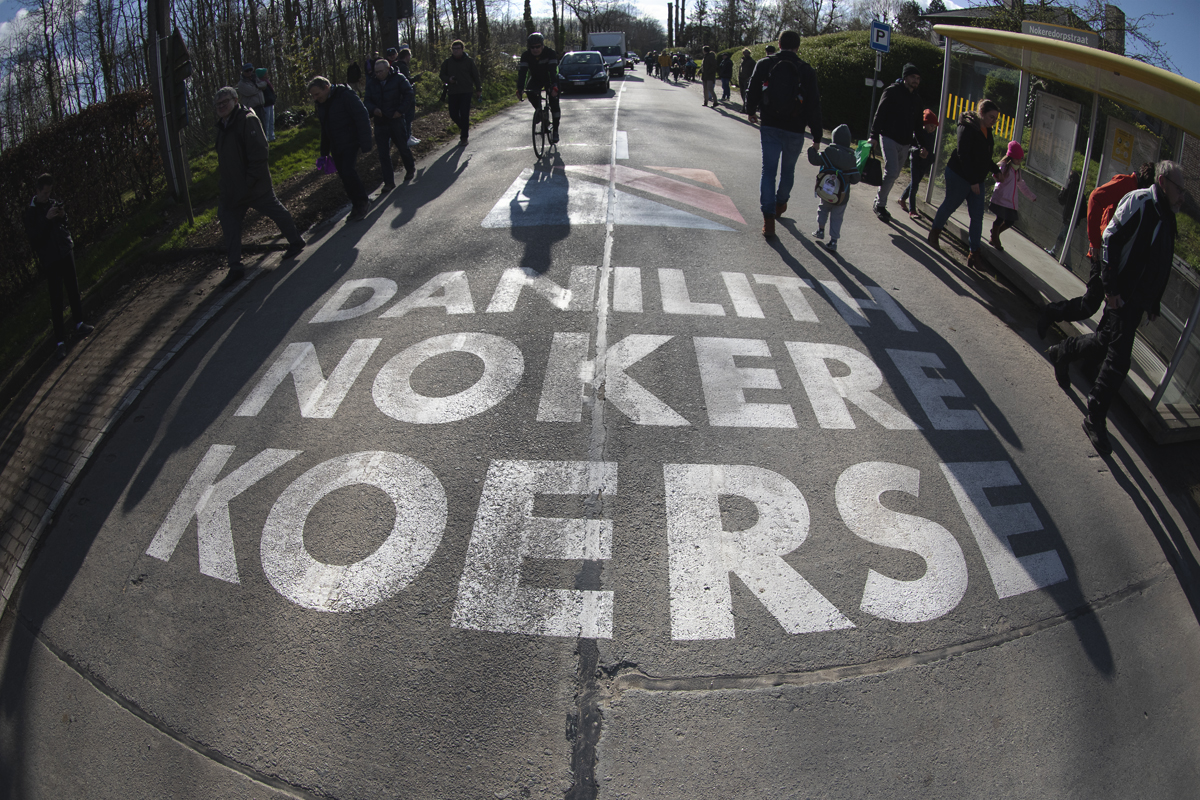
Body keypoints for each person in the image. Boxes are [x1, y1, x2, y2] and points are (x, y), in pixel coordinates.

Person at [1045, 161, 1184, 456]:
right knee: (1119, 361)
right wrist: (1111, 289)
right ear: (1162, 181)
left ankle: (1063, 351)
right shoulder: (1141, 201)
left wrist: (1154, 300)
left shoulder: (1168, 217)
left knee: (1102, 342)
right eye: (1178, 187)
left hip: (1136, 301)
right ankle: (1095, 415)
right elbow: (1110, 239)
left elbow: (1162, 262)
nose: (1181, 194)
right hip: (1121, 295)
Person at [1036, 163, 1156, 338]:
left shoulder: (1134, 191)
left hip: (1111, 257)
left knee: (1098, 307)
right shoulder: (1128, 185)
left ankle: (1078, 344)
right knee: (1089, 305)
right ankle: (1053, 315)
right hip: (1104, 254)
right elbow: (1095, 197)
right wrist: (1095, 242)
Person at [212, 87, 305, 284]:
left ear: (235, 100)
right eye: (218, 104)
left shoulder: (247, 119)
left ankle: (296, 241)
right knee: (228, 223)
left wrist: (249, 181)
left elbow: (260, 152)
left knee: (275, 210)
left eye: (225, 102)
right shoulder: (221, 126)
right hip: (231, 190)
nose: (221, 107)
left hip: (254, 186)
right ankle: (235, 267)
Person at [745, 30, 822, 238]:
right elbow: (814, 104)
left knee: (768, 171)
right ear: (798, 46)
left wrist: (751, 110)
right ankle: (780, 204)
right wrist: (817, 135)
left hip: (770, 124)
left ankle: (768, 220)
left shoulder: (765, 63)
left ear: (778, 44)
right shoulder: (806, 70)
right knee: (788, 170)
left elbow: (752, 89)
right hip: (795, 129)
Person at [23, 173, 93, 359]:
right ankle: (60, 341)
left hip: (64, 250)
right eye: (45, 193)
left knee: (73, 288)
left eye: (49, 192)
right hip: (50, 258)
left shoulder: (51, 203)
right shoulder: (30, 213)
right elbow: (35, 239)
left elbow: (64, 224)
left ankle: (79, 323)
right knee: (56, 300)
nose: (47, 196)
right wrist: (46, 219)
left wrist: (62, 215)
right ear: (37, 191)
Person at [927, 98, 1002, 270]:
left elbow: (985, 156)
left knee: (977, 216)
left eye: (996, 118)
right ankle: (934, 233)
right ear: (981, 113)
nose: (994, 121)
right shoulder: (967, 126)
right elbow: (963, 155)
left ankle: (974, 254)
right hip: (959, 175)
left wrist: (995, 170)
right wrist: (973, 181)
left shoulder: (987, 130)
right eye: (991, 117)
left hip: (977, 179)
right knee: (950, 205)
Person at [308, 75, 373, 221]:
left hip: (351, 140)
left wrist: (366, 142)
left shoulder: (345, 95)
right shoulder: (321, 103)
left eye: (317, 94)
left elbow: (361, 116)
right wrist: (324, 152)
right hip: (335, 144)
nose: (315, 98)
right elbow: (324, 128)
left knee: (348, 171)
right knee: (343, 175)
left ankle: (363, 202)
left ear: (326, 87)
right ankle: (356, 204)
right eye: (313, 96)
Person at [869, 63, 928, 222]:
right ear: (905, 77)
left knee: (893, 175)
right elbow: (879, 114)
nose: (916, 81)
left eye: (918, 79)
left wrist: (922, 145)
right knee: (892, 171)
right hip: (888, 137)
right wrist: (873, 136)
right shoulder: (892, 91)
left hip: (905, 143)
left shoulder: (917, 99)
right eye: (913, 78)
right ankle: (880, 204)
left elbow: (917, 125)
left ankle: (879, 200)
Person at [365, 59, 417, 192]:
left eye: (381, 71)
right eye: (376, 72)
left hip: (396, 119)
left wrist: (400, 111)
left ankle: (410, 168)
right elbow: (367, 100)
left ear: (388, 69)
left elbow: (409, 94)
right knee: (383, 153)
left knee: (402, 146)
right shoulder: (372, 82)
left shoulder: (398, 78)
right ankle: (388, 182)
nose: (378, 74)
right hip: (380, 121)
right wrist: (373, 109)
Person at [809, 124, 861, 253]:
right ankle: (833, 241)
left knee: (823, 208)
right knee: (837, 217)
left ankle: (820, 230)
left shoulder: (829, 153)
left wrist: (812, 149)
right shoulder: (851, 159)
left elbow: (814, 160)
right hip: (842, 196)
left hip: (826, 191)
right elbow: (855, 179)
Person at [987, 141, 1037, 251]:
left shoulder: (1017, 171)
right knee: (1000, 218)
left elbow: (1022, 185)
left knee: (1010, 221)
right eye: (1017, 159)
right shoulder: (1005, 167)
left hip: (1010, 202)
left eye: (1020, 159)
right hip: (1001, 199)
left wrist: (1031, 196)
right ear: (1011, 157)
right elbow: (996, 174)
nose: (1019, 161)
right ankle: (995, 238)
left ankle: (994, 234)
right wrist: (997, 176)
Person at [516, 32, 561, 144]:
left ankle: (555, 130)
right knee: (529, 91)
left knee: (554, 104)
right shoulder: (526, 56)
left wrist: (553, 86)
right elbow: (523, 73)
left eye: (538, 47)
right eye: (532, 47)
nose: (535, 49)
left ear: (542, 45)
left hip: (550, 78)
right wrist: (520, 88)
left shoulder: (550, 53)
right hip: (536, 78)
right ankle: (540, 113)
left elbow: (552, 71)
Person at [440, 40, 482, 145]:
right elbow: (442, 75)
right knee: (453, 114)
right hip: (453, 91)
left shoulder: (468, 61)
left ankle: (464, 137)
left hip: (466, 91)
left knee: (464, 114)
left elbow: (475, 76)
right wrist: (448, 79)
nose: (456, 51)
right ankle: (464, 127)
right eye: (454, 49)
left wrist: (478, 89)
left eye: (458, 49)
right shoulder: (448, 62)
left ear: (462, 49)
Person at [898, 110, 938, 218]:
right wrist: (918, 151)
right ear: (925, 124)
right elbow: (910, 147)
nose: (932, 129)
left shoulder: (932, 136)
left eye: (934, 127)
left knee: (914, 183)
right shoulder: (918, 133)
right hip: (915, 160)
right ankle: (912, 209)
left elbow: (930, 149)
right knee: (915, 185)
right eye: (931, 126)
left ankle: (902, 199)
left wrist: (931, 158)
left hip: (924, 163)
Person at [255, 67, 277, 141]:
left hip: (271, 103)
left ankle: (272, 136)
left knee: (271, 121)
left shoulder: (267, 82)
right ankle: (266, 137)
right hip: (266, 104)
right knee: (266, 122)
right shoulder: (261, 84)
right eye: (265, 73)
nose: (267, 74)